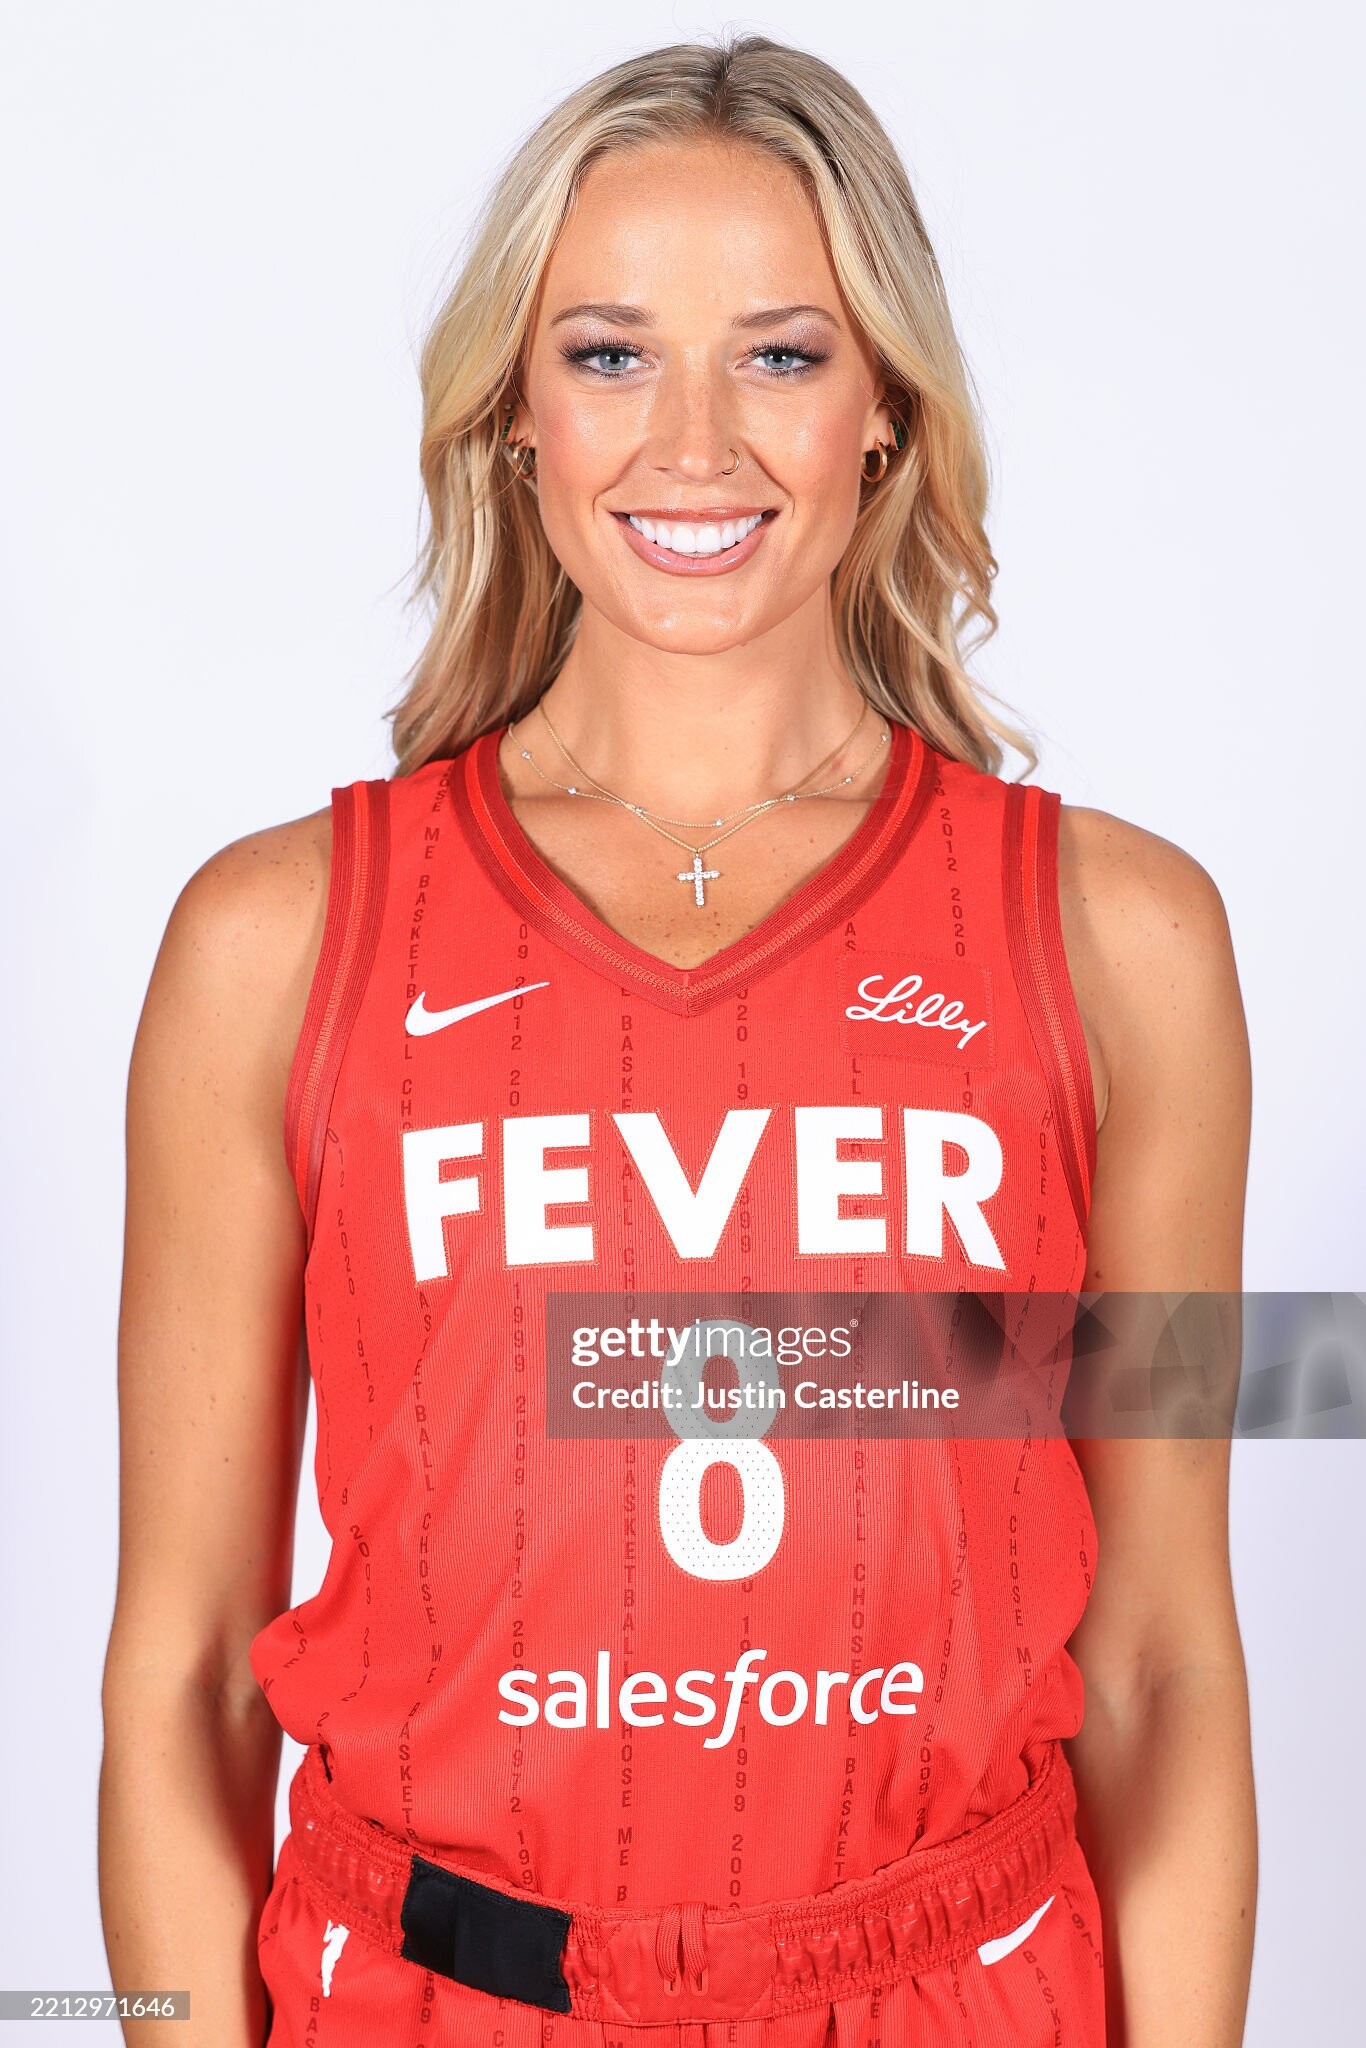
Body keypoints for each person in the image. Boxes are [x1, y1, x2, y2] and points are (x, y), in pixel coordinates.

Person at [99, 34, 1257, 2048]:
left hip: (950, 1992)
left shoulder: (1124, 942)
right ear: (514, 416)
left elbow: (1160, 1655)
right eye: (612, 354)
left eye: (781, 354)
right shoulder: (270, 943)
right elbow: (185, 1663)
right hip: (430, 1995)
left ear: (885, 411)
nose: (693, 442)